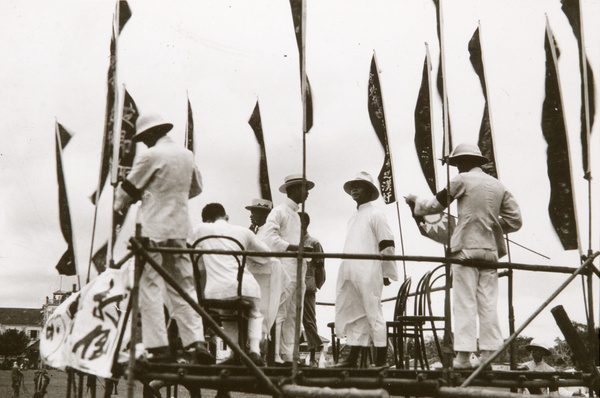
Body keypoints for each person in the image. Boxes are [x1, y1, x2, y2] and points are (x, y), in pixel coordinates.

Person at [405, 142, 522, 369]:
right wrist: (493, 226)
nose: (457, 168)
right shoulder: (499, 186)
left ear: (466, 163)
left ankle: (464, 358)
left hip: (465, 250)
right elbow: (515, 220)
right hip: (490, 252)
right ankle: (488, 355)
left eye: (458, 163)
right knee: (488, 302)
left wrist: (415, 201)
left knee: (464, 302)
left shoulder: (461, 180)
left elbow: (433, 207)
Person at [114, 112, 213, 364]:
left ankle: (158, 347)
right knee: (183, 285)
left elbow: (127, 191)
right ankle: (195, 342)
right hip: (180, 230)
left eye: (144, 138)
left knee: (150, 285)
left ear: (149, 135)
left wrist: (124, 202)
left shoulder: (150, 155)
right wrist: (173, 196)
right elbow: (197, 187)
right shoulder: (186, 155)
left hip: (153, 231)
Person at [188, 203, 273, 367]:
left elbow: (191, 257)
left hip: (217, 291)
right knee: (255, 312)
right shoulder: (243, 231)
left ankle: (235, 352)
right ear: (225, 216)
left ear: (206, 219)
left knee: (227, 314)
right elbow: (266, 256)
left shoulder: (200, 230)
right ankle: (255, 351)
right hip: (246, 287)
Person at [334, 171, 398, 368]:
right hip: (351, 270)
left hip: (369, 270)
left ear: (369, 191)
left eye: (359, 186)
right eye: (352, 186)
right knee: (354, 313)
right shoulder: (353, 218)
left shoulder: (376, 214)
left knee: (373, 313)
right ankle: (352, 359)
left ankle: (380, 360)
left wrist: (386, 272)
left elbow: (387, 243)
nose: (354, 189)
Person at [261, 173, 314, 365]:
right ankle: (274, 356)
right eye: (304, 188)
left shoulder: (297, 216)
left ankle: (289, 355)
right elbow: (269, 238)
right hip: (284, 267)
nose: (307, 193)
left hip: (297, 268)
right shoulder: (279, 211)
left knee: (294, 313)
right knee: (280, 310)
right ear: (293, 189)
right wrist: (294, 248)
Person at [299, 212, 326, 367]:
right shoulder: (290, 241)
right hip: (292, 285)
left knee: (309, 321)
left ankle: (313, 356)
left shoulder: (313, 243)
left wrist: (317, 284)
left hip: (307, 287)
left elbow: (320, 266)